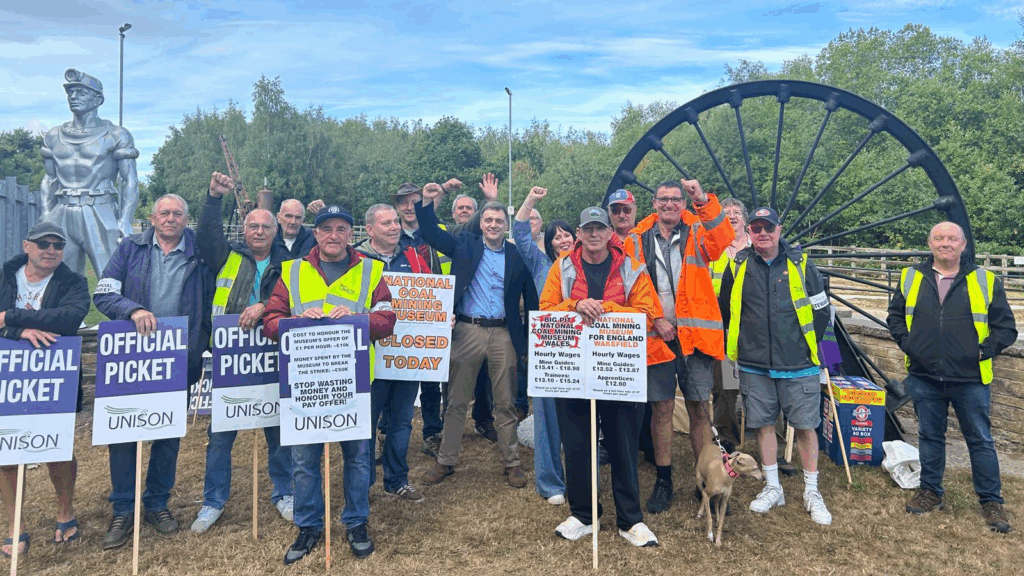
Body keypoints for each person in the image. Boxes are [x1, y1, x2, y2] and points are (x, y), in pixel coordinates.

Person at [263, 204, 396, 563]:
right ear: (316, 234)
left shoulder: (371, 270)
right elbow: (271, 321)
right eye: (326, 229)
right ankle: (308, 525)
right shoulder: (293, 271)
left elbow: (386, 320)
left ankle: (356, 521)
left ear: (351, 234)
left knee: (358, 458)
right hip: (305, 383)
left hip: (355, 382)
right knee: (304, 460)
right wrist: (294, 322)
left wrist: (356, 318)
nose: (333, 235)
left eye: (341, 229)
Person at [93, 194, 213, 549]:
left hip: (179, 356)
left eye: (177, 213)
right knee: (124, 433)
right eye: (164, 213)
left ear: (186, 219)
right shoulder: (130, 248)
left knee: (167, 434)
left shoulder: (200, 252)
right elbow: (103, 293)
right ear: (153, 217)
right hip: (131, 358)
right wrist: (131, 309)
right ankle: (122, 508)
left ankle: (157, 503)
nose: (171, 218)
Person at [541, 206, 663, 547]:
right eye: (588, 229)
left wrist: (605, 308)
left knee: (624, 444)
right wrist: (576, 305)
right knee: (577, 444)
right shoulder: (561, 266)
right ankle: (584, 515)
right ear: (579, 234)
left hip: (619, 369)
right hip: (573, 370)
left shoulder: (632, 267)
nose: (594, 235)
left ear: (610, 233)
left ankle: (630, 519)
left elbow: (648, 313)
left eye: (600, 228)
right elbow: (546, 309)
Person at [886, 221, 1017, 533]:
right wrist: (910, 345)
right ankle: (931, 492)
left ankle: (991, 501)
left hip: (970, 378)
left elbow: (1006, 328)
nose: (945, 243)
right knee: (930, 437)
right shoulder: (911, 276)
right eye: (939, 238)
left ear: (963, 244)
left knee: (980, 440)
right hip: (924, 376)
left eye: (952, 238)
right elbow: (895, 316)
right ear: (930, 243)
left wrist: (981, 351)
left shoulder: (984, 279)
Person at [415, 183, 539, 488]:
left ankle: (512, 462)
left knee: (505, 402)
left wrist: (529, 342)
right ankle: (446, 460)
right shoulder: (465, 245)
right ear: (480, 223)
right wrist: (427, 202)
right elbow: (430, 232)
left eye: (499, 221)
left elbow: (531, 299)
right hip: (467, 330)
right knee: (456, 400)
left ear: (506, 225)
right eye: (488, 220)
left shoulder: (517, 256)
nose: (493, 225)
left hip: (504, 333)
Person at [191, 172, 295, 534]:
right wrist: (213, 198)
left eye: (266, 227)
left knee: (278, 430)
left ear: (276, 231)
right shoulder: (227, 256)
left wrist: (265, 306)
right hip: (231, 356)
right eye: (253, 226)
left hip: (273, 355)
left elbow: (296, 302)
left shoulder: (289, 263)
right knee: (221, 434)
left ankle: (285, 493)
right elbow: (206, 236)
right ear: (244, 229)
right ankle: (212, 501)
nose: (259, 232)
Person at [622, 179, 734, 514]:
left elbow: (723, 239)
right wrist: (656, 318)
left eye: (675, 199)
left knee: (699, 409)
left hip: (694, 339)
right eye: (663, 199)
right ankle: (663, 480)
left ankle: (706, 481)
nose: (669, 204)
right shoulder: (636, 240)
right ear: (654, 203)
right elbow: (632, 286)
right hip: (656, 337)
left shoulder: (698, 231)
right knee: (661, 410)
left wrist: (702, 198)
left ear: (683, 203)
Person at [718, 206, 832, 525]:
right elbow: (727, 308)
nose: (763, 233)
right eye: (756, 228)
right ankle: (772, 486)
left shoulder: (801, 263)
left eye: (768, 227)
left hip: (799, 363)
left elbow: (822, 309)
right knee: (763, 425)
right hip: (754, 364)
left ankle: (812, 491)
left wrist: (809, 348)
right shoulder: (738, 265)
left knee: (806, 427)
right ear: (749, 232)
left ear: (779, 230)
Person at [0, 221, 89, 555]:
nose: (51, 250)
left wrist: (9, 317)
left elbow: (68, 319)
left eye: (57, 245)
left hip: (55, 375)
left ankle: (65, 510)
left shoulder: (73, 282)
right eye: (43, 244)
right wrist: (18, 333)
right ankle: (15, 523)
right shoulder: (4, 276)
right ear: (27, 246)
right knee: (7, 451)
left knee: (57, 446)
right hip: (7, 375)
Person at [355, 203, 437, 502]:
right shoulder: (355, 259)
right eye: (386, 223)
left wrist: (442, 317)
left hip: (406, 355)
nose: (394, 227)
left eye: (395, 222)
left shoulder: (414, 257)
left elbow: (432, 296)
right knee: (365, 423)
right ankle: (361, 483)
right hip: (368, 356)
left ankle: (397, 480)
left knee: (402, 421)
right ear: (369, 229)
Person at [39, 68, 139, 278]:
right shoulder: (54, 136)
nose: (73, 97)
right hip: (62, 210)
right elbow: (49, 178)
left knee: (111, 277)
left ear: (97, 100)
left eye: (81, 92)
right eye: (70, 93)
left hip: (100, 209)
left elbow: (129, 180)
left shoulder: (116, 135)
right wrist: (46, 213)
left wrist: (125, 219)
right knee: (59, 279)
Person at [512, 187, 575, 506]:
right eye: (556, 237)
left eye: (567, 235)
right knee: (546, 414)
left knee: (580, 415)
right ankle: (551, 483)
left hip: (582, 349)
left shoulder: (590, 263)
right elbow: (520, 233)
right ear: (548, 244)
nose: (562, 240)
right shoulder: (540, 265)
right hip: (549, 346)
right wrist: (531, 201)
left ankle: (581, 477)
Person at [709, 198, 751, 447]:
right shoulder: (713, 249)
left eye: (737, 212)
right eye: (726, 213)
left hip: (754, 324)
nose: (732, 216)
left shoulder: (758, 245)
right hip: (723, 326)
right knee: (726, 384)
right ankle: (726, 437)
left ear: (745, 219)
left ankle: (760, 430)